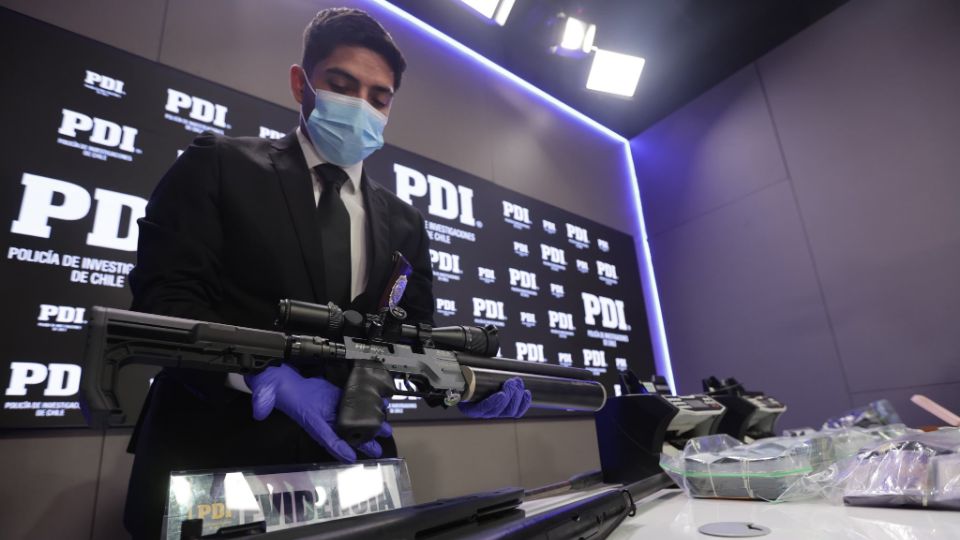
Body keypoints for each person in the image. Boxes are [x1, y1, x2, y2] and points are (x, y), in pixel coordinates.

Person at [123, 8, 530, 539]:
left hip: (350, 469)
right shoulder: (219, 165)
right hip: (211, 457)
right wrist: (261, 375)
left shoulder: (405, 223)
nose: (361, 105)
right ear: (302, 83)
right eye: (341, 85)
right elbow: (164, 300)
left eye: (379, 97)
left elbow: (412, 340)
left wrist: (462, 386)